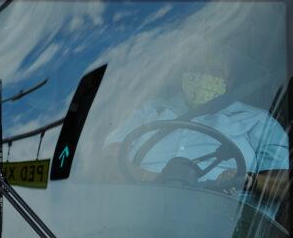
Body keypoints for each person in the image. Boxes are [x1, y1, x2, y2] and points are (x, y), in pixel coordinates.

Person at [104, 60, 289, 220]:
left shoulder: (258, 121)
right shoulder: (150, 111)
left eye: (214, 72)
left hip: (224, 223)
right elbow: (104, 162)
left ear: (230, 79)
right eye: (197, 69)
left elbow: (285, 185)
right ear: (183, 75)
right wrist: (150, 178)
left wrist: (249, 181)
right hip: (133, 217)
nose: (203, 77)